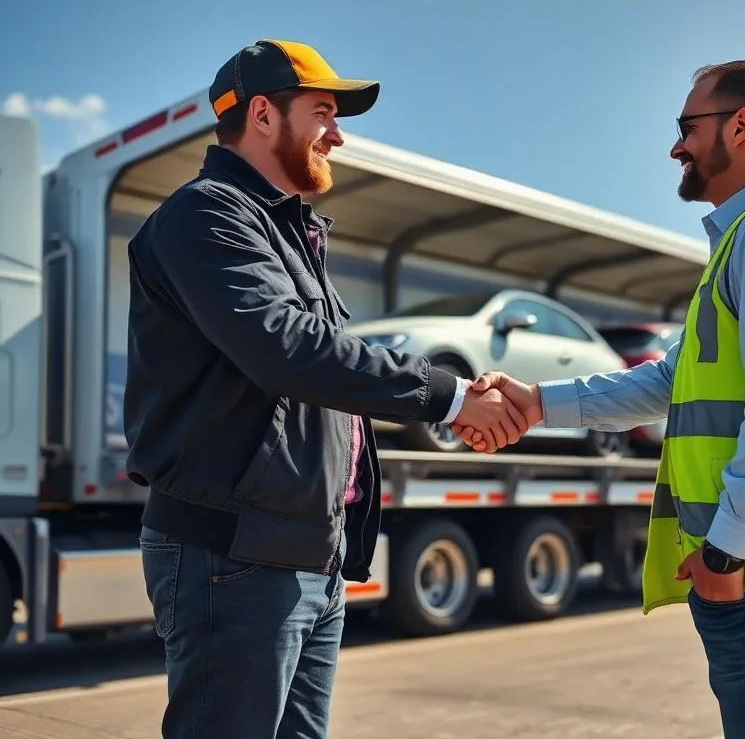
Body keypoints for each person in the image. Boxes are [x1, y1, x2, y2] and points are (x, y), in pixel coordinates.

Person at [123, 39, 528, 739]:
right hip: (236, 557)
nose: (338, 134)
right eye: (322, 113)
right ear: (262, 115)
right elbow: (289, 350)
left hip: (306, 554)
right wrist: (454, 398)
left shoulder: (287, 233)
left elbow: (330, 368)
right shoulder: (206, 216)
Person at [453, 59, 745, 739]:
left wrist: (725, 554)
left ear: (741, 126)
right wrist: (535, 403)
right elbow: (668, 382)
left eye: (688, 127)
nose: (676, 147)